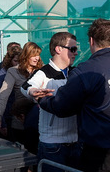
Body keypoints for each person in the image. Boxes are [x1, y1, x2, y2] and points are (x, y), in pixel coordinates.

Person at [39, 19, 110, 172]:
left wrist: (42, 99)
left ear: (91, 41)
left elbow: (62, 106)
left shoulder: (87, 70)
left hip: (104, 151)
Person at [21, 32, 80, 171]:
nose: (76, 53)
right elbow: (26, 86)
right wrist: (33, 91)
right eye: (72, 49)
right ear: (58, 49)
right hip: (52, 146)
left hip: (76, 142)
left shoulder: (76, 72)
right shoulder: (43, 72)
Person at [0, 42, 43, 144]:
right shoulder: (13, 71)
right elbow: (3, 95)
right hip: (20, 121)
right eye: (33, 55)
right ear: (25, 55)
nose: (36, 58)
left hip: (40, 120)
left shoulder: (43, 70)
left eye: (38, 55)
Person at [0, 45, 22, 137]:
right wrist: (3, 123)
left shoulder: (22, 73)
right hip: (8, 118)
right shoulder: (0, 76)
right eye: (15, 61)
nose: (18, 64)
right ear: (9, 61)